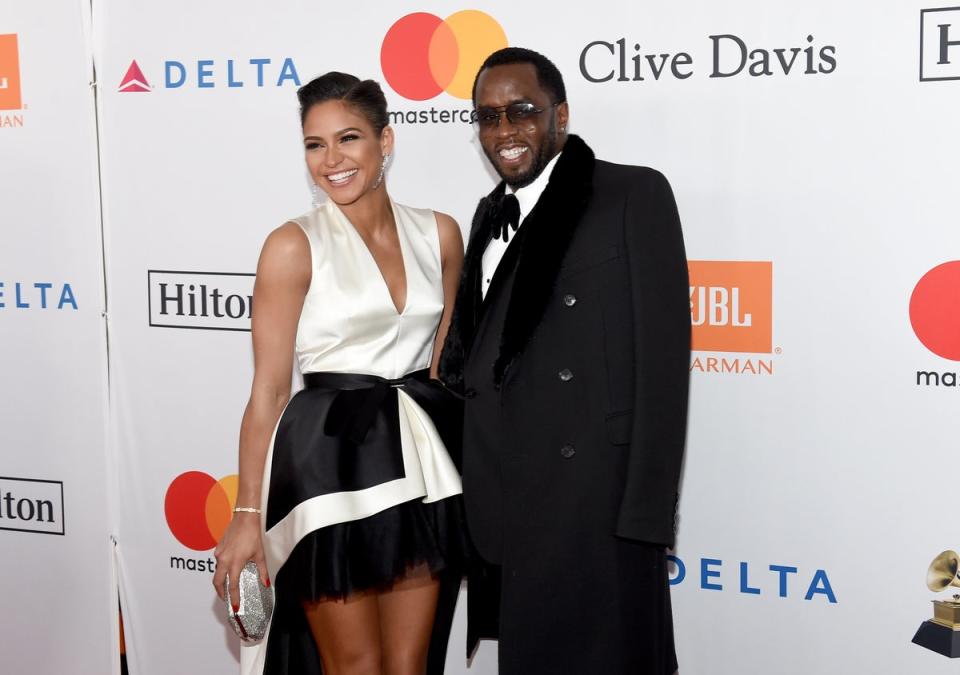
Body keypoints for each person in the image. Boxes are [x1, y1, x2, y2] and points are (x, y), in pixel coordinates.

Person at [438, 47, 690, 674]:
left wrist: (645, 515)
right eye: (489, 117)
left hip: (598, 507)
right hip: (512, 501)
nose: (505, 132)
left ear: (561, 115)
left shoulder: (632, 194)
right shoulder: (488, 214)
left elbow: (664, 367)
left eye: (521, 111)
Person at [213, 71, 466, 675]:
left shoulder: (441, 233)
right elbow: (270, 390)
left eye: (348, 138)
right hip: (329, 464)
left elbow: (443, 365)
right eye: (314, 144)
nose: (332, 160)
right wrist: (247, 515)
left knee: (410, 664)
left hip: (420, 461)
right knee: (353, 664)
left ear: (387, 141)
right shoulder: (291, 246)